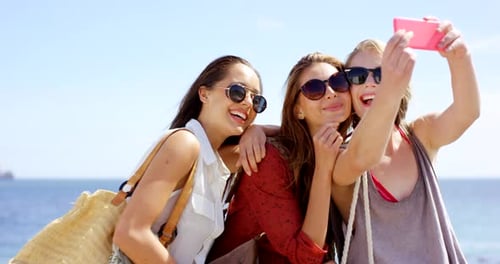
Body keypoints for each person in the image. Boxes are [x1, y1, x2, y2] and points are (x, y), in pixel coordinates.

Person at [331, 19, 479, 263]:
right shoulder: (341, 157)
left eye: (381, 73)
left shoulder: (421, 135)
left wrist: (460, 57)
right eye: (357, 76)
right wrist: (390, 87)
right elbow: (363, 156)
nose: (370, 82)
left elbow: (467, 112)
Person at [111, 55, 267, 264]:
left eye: (257, 100)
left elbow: (294, 138)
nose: (248, 103)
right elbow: (130, 234)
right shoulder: (184, 144)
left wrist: (259, 129)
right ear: (204, 94)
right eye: (238, 92)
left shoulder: (218, 162)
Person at [207, 52, 352, 264]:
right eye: (314, 89)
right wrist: (323, 168)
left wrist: (262, 128)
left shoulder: (348, 154)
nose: (330, 93)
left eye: (338, 82)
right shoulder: (269, 159)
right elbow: (306, 256)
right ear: (297, 110)